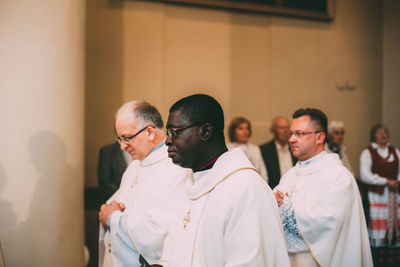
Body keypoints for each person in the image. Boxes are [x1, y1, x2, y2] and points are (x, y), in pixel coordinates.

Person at [156, 94, 290, 267]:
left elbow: (250, 262)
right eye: (168, 133)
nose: (167, 141)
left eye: (175, 132)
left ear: (205, 132)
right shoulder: (193, 184)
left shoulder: (245, 187)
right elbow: (175, 246)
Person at [274, 108, 372, 267]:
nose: (291, 139)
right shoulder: (290, 175)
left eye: (299, 134)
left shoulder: (338, 176)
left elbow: (326, 222)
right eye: (290, 134)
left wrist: (286, 207)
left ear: (319, 137)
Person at [98, 100, 188, 267]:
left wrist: (113, 219)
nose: (123, 147)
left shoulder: (175, 168)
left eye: (127, 138)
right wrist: (107, 211)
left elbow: (161, 233)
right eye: (120, 139)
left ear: (149, 132)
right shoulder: (134, 167)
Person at [360, 124, 400, 266]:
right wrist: (385, 181)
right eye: (379, 133)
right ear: (374, 136)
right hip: (377, 196)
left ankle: (393, 260)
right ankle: (378, 261)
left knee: (394, 226)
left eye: (385, 132)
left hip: (394, 197)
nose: (383, 135)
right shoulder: (368, 152)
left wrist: (396, 181)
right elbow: (365, 175)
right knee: (379, 230)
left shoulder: (395, 151)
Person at [260, 116, 297, 189]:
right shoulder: (264, 151)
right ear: (272, 130)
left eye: (287, 127)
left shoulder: (296, 148)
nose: (286, 131)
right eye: (282, 128)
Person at [227, 117, 268, 182]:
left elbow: (262, 171)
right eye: (241, 128)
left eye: (247, 128)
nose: (245, 132)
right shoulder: (228, 148)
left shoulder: (255, 148)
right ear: (233, 131)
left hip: (254, 182)